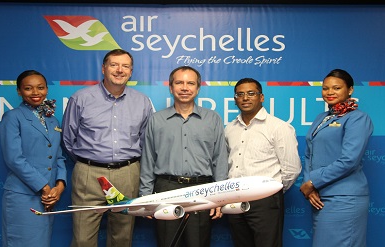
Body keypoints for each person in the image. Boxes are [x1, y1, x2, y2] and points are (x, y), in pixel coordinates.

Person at [62, 49, 153, 247]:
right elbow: (68, 140)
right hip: (89, 174)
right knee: (82, 239)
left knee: (122, 237)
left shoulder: (142, 101)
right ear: (103, 68)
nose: (119, 70)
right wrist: (89, 164)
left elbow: (146, 142)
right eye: (114, 65)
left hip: (127, 174)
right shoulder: (81, 98)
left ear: (131, 71)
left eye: (125, 66)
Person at [139, 65, 229, 247]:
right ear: (171, 87)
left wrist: (221, 198)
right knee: (168, 243)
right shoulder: (157, 120)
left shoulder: (212, 119)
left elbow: (219, 160)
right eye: (179, 83)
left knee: (198, 243)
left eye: (190, 83)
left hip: (202, 191)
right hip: (166, 189)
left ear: (198, 88)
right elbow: (148, 161)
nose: (185, 88)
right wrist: (145, 197)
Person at [300, 69, 373, 247]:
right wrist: (310, 183)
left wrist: (312, 182)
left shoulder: (357, 119)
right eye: (325, 88)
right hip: (320, 197)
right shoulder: (322, 118)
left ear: (350, 90)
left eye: (336, 88)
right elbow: (309, 154)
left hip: (345, 198)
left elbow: (349, 160)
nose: (330, 92)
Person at [224, 77, 302, 247]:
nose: (245, 98)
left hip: (265, 200)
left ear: (261, 97)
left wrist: (269, 191)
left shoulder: (278, 127)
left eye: (251, 93)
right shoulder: (229, 129)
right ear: (235, 99)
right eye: (240, 94)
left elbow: (292, 169)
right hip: (234, 199)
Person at [0, 70, 67, 247]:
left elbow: (58, 156)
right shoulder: (12, 117)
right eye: (28, 88)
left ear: (46, 90)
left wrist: (59, 186)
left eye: (40, 87)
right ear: (19, 91)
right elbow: (14, 159)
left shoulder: (52, 120)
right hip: (23, 196)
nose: (35, 93)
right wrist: (44, 187)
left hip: (49, 197)